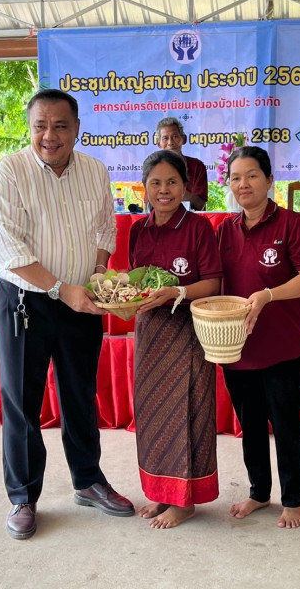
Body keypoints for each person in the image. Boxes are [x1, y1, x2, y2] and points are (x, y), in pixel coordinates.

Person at [0, 88, 135, 540]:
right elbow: (10, 250)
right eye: (40, 126)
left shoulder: (94, 170)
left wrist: (98, 274)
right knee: (22, 403)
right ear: (30, 128)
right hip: (24, 302)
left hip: (82, 300)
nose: (49, 135)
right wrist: (59, 289)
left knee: (80, 395)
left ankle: (88, 481)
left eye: (60, 126)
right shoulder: (8, 172)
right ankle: (23, 497)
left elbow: (104, 228)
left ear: (77, 129)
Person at [215, 146, 300, 529]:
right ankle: (259, 492)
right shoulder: (224, 230)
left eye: (251, 175)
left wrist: (268, 295)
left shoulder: (291, 225)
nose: (243, 184)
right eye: (235, 178)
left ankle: (293, 500)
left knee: (286, 425)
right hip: (237, 348)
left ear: (269, 180)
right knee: (251, 428)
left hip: (283, 348)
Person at [129, 149, 222, 529]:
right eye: (156, 183)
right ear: (144, 188)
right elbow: (135, 281)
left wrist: (177, 292)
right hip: (150, 332)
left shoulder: (199, 228)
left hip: (188, 331)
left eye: (172, 182)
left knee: (188, 412)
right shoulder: (138, 229)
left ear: (185, 187)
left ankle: (185, 502)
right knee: (152, 412)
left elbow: (213, 283)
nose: (164, 190)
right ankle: (161, 491)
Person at [155, 117, 208, 211]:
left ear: (183, 139)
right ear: (159, 144)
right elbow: (149, 204)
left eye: (175, 136)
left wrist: (175, 189)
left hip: (190, 219)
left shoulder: (197, 166)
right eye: (165, 138)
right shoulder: (153, 168)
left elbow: (200, 205)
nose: (170, 142)